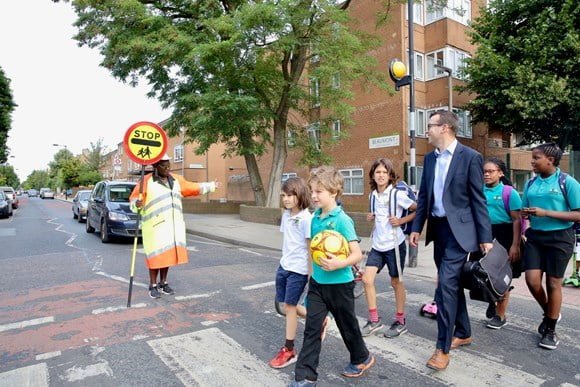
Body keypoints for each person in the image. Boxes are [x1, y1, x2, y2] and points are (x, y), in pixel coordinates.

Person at [410, 110, 492, 371]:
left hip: (460, 233)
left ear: (444, 128)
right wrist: (416, 227)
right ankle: (464, 331)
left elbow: (478, 199)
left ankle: (442, 348)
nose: (427, 130)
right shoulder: (430, 159)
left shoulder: (470, 157)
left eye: (430, 125)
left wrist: (485, 237)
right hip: (438, 230)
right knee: (452, 285)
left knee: (444, 286)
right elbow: (424, 197)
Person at [291, 166, 374, 386]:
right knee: (312, 328)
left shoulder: (342, 220)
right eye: (312, 191)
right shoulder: (315, 218)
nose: (314, 196)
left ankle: (361, 357)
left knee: (348, 327)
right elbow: (313, 251)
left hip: (340, 285)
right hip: (318, 284)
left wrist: (339, 262)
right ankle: (305, 377)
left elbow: (356, 254)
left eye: (319, 191)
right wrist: (311, 276)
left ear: (334, 192)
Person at [129, 153, 219, 299]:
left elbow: (192, 187)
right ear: (156, 166)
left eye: (169, 165)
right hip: (155, 228)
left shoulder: (176, 180)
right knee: (155, 257)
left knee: (167, 256)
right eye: (164, 166)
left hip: (172, 227)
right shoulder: (145, 181)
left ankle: (163, 283)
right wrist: (136, 204)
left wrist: (211, 186)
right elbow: (134, 200)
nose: (168, 168)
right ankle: (152, 285)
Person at [521, 142, 580, 350]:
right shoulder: (530, 183)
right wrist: (526, 213)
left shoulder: (567, 182)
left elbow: (578, 213)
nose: (532, 161)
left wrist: (546, 213)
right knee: (532, 280)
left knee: (553, 283)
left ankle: (550, 329)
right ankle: (550, 312)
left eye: (536, 158)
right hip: (536, 237)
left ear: (550, 160)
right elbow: (524, 209)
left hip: (561, 238)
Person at [361, 158, 416, 338]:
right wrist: (371, 217)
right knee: (367, 279)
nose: (381, 175)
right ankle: (374, 319)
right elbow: (377, 217)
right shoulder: (372, 196)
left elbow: (418, 209)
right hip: (377, 245)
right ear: (373, 175)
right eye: (378, 172)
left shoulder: (397, 194)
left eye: (385, 172)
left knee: (396, 282)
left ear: (390, 175)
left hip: (395, 245)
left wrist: (401, 221)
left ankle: (400, 321)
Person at [270, 177, 313, 369]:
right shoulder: (287, 215)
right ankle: (317, 320)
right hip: (284, 266)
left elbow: (310, 248)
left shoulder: (306, 219)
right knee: (286, 306)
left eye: (290, 195)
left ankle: (289, 350)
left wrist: (312, 275)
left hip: (299, 270)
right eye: (283, 196)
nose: (286, 199)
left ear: (300, 195)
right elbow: (287, 241)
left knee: (289, 307)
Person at [482, 157, 523, 329]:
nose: (486, 174)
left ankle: (500, 315)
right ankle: (492, 300)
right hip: (484, 235)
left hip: (505, 236)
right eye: (484, 171)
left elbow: (517, 220)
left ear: (500, 173)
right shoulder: (478, 190)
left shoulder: (509, 192)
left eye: (490, 171)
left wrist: (515, 245)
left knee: (502, 278)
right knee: (482, 276)